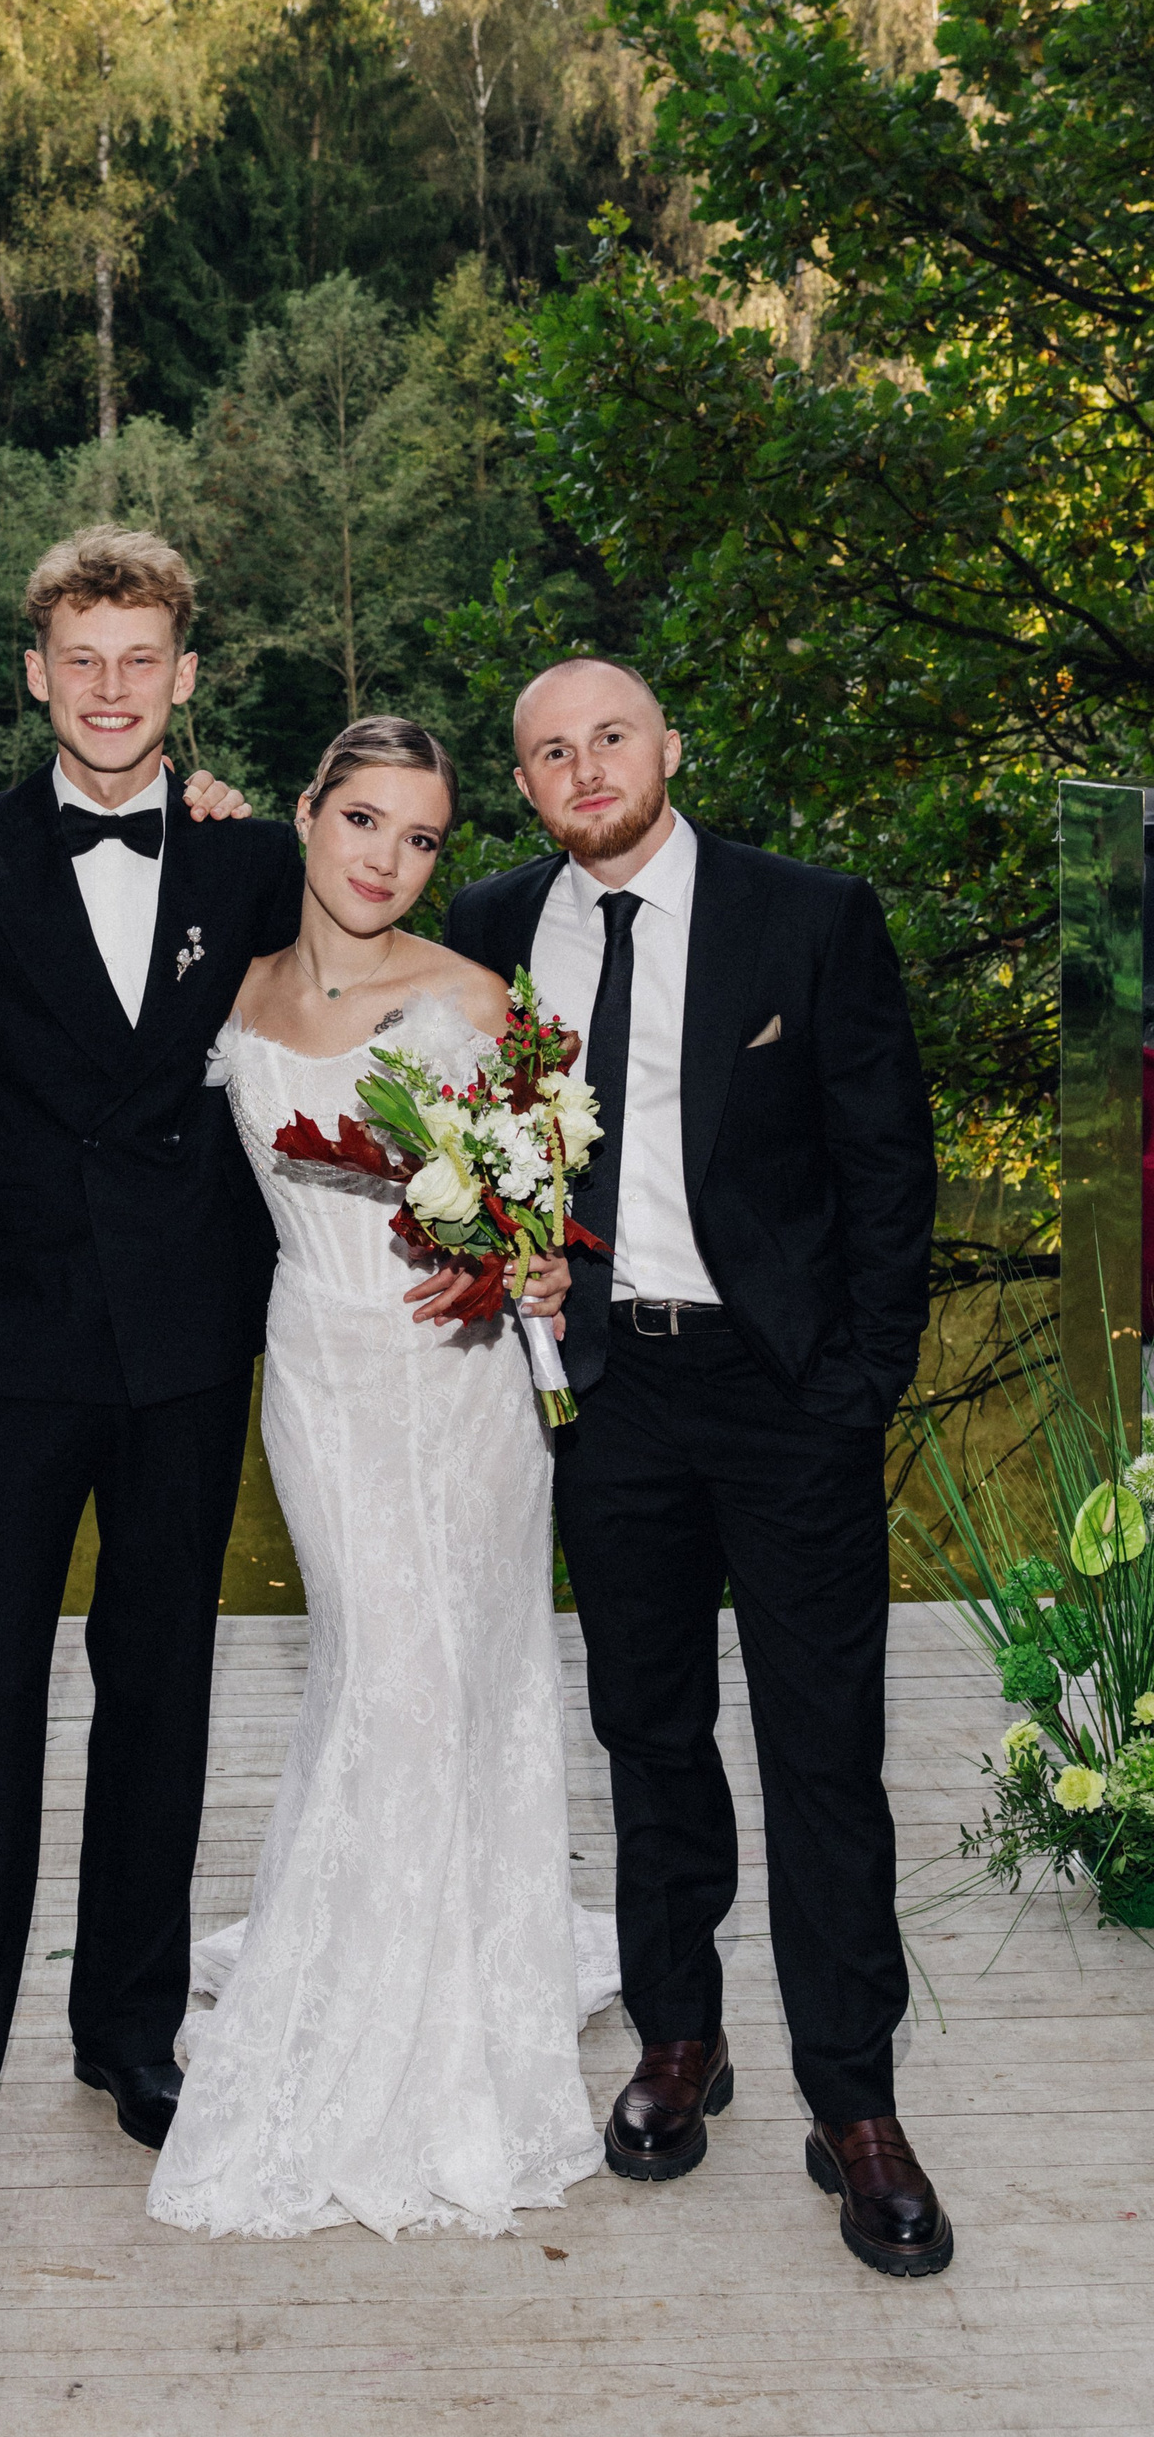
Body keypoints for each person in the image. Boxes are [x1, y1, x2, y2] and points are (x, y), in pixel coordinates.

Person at [445, 655, 950, 2278]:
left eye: (610, 735)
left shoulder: (809, 915)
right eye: (550, 750)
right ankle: (681, 2033)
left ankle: (855, 2098)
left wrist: (862, 1382)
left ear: (669, 743)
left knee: (824, 1750)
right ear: (524, 784)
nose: (585, 766)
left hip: (788, 1391)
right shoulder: (492, 926)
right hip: (608, 1397)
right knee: (648, 1728)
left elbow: (890, 1162)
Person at [0, 525, 303, 2229]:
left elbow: (345, 1019)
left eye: (141, 660)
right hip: (21, 1333)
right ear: (36, 673)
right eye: (82, 659)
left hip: (193, 1330)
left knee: (165, 1681)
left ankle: (129, 2030)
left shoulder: (253, 861)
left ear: (185, 677)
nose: (111, 689)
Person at [147, 717, 618, 2241]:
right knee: (375, 1662)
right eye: (363, 820)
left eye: (420, 838)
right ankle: (361, 1953)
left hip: (458, 1377)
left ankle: (442, 2001)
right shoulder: (233, 986)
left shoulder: (472, 996)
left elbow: (544, 1187)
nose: (387, 859)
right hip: (318, 1365)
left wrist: (536, 1258)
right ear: (306, 813)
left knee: (455, 1668)